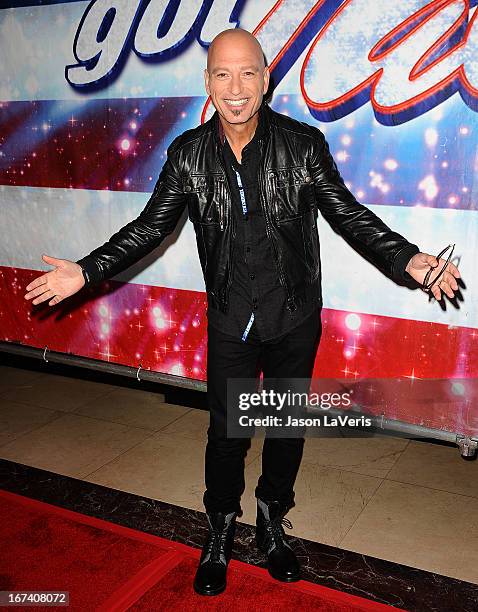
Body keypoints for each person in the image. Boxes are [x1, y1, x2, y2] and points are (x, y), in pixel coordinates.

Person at [24, 28, 460, 597]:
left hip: (294, 317)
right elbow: (150, 228)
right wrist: (86, 269)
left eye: (248, 73)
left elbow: (349, 217)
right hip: (232, 319)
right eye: (223, 74)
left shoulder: (302, 146)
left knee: (284, 429)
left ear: (266, 80)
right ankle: (220, 527)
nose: (236, 87)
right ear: (208, 82)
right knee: (226, 434)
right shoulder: (188, 156)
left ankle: (271, 519)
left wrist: (411, 260)